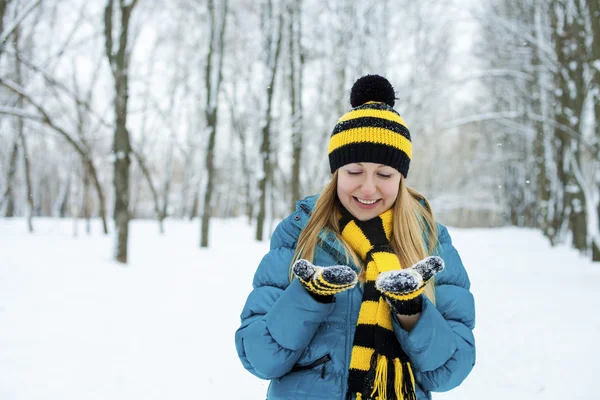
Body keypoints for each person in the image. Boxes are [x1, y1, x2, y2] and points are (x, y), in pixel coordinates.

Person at [234, 74, 476, 400]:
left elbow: (451, 369)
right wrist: (308, 297)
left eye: (384, 174)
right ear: (336, 173)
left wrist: (412, 312)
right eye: (354, 171)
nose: (367, 187)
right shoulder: (299, 234)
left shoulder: (429, 241)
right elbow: (260, 357)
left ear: (401, 178)